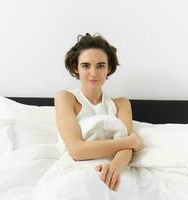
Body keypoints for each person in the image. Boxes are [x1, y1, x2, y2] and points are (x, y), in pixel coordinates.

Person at [54, 33, 144, 192]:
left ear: (109, 68)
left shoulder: (121, 104)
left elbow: (126, 150)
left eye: (100, 65)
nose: (93, 73)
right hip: (77, 169)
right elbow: (77, 151)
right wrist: (129, 141)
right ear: (76, 67)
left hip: (113, 169)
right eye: (86, 65)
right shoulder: (65, 98)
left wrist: (114, 167)